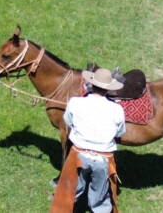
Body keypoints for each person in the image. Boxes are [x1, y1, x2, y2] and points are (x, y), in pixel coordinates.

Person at [52, 68, 126, 213]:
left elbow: (68, 121)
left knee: (70, 190)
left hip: (78, 155)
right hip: (103, 158)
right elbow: (120, 132)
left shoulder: (75, 102)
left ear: (91, 85)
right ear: (108, 90)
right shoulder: (117, 109)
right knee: (100, 195)